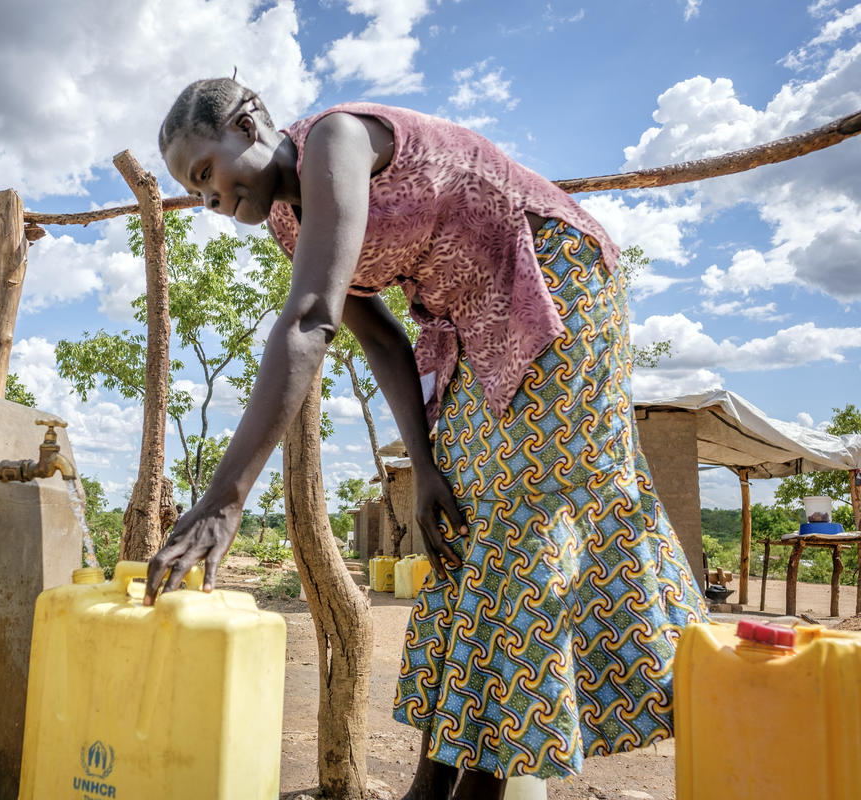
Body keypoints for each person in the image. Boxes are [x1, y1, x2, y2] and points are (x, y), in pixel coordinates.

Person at [145, 77, 708, 799]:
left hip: (551, 280)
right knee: (465, 528)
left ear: (249, 122)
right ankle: (429, 786)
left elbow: (312, 319)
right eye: (196, 194)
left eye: (204, 175)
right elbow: (378, 338)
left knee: (521, 518)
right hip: (468, 320)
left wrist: (226, 497)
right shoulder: (292, 223)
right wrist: (426, 464)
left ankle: (478, 787)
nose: (209, 201)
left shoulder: (335, 139)